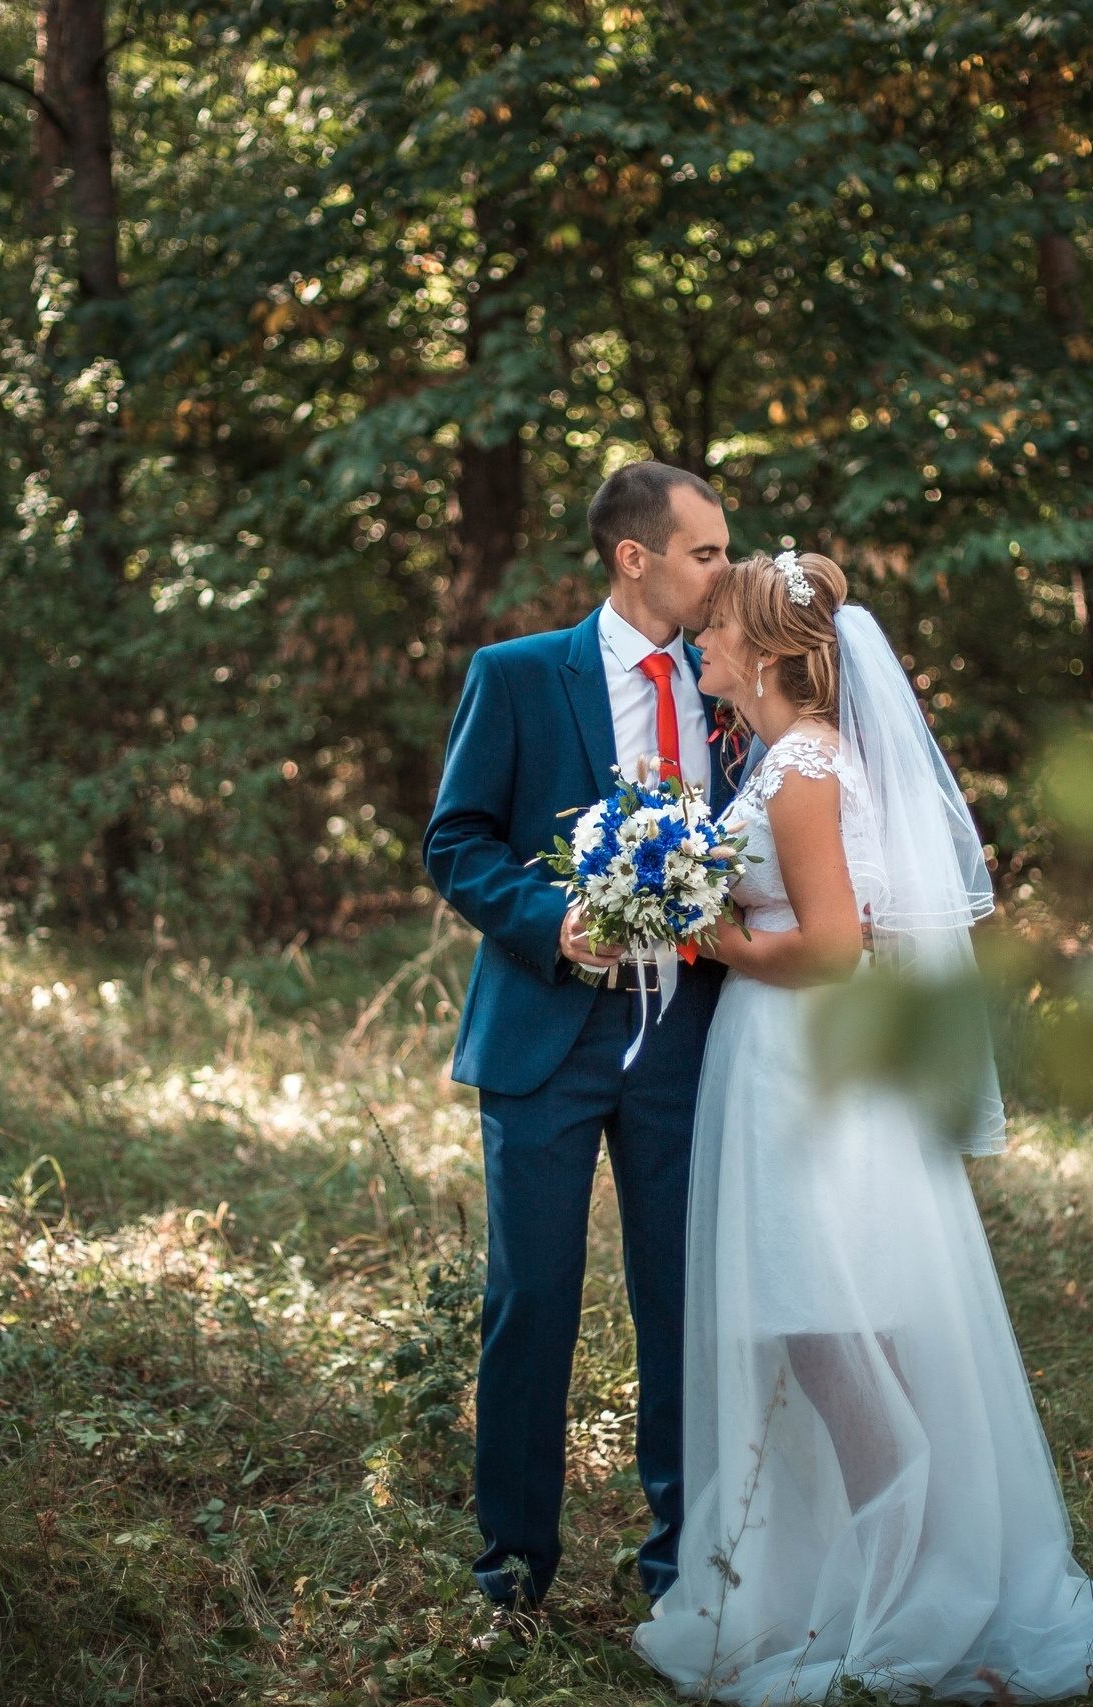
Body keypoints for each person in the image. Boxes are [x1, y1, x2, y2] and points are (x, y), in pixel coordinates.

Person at [632, 549, 1093, 1701]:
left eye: (712, 633)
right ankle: (879, 1568)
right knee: (826, 1333)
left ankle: (924, 1587)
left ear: (757, 652)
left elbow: (834, 943)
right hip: (787, 1064)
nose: (700, 646)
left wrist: (716, 942)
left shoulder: (801, 763)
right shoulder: (780, 756)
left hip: (808, 1064)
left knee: (831, 1331)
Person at [421, 459, 748, 1639]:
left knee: (683, 1302)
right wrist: (547, 922)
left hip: (692, 1036)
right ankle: (512, 1563)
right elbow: (454, 840)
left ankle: (682, 1562)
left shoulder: (730, 684)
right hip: (546, 1032)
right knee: (531, 1299)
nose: (726, 571)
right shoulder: (515, 678)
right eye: (707, 552)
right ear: (636, 557)